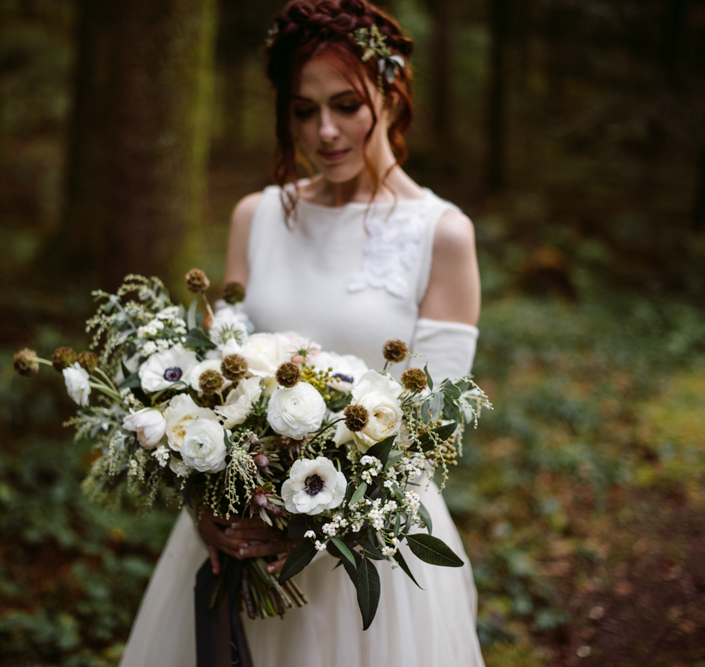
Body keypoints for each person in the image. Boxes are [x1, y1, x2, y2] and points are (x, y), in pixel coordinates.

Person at [120, 0, 484, 664]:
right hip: (237, 541)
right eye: (304, 109)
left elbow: (432, 429)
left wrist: (307, 522)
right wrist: (207, 495)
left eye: (347, 104)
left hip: (367, 556)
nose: (326, 131)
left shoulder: (442, 233)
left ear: (391, 93)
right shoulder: (256, 217)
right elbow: (214, 372)